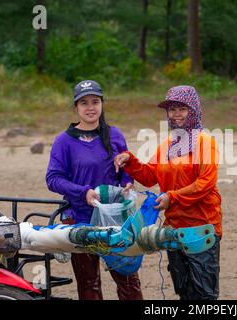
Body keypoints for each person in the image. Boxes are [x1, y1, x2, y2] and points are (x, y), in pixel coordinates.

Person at [114, 85, 222, 300]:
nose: (176, 114)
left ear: (194, 110)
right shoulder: (168, 145)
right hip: (174, 227)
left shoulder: (204, 141)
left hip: (202, 226)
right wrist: (130, 160)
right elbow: (149, 176)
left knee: (203, 295)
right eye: (172, 109)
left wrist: (172, 197)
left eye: (182, 108)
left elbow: (206, 182)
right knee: (183, 290)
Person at [45, 80, 143, 300]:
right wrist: (83, 192)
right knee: (89, 283)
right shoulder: (64, 141)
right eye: (84, 102)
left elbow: (125, 168)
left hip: (114, 219)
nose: (90, 107)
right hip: (79, 218)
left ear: (102, 104)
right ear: (76, 107)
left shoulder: (114, 134)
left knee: (128, 279)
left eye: (95, 101)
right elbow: (52, 178)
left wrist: (128, 181)